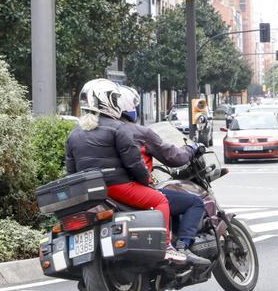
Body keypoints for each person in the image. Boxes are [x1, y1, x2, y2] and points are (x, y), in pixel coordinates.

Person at [65, 79, 185, 262]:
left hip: (90, 191)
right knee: (161, 200)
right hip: (117, 186)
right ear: (106, 100)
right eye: (115, 98)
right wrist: (146, 182)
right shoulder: (118, 128)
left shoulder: (74, 133)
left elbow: (71, 169)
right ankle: (166, 246)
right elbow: (134, 163)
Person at [116, 86, 210, 266]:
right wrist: (191, 148)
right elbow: (173, 157)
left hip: (114, 193)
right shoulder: (140, 133)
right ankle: (182, 247)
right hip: (136, 191)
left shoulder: (104, 132)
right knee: (194, 202)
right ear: (129, 108)